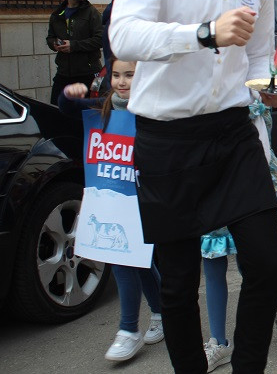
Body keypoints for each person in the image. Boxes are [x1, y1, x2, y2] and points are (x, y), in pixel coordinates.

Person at [109, 0, 277, 372]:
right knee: (179, 279)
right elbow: (124, 32)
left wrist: (274, 93)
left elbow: (257, 61)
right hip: (167, 139)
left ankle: (247, 366)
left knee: (265, 264)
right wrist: (203, 33)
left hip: (233, 133)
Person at [58, 59, 164, 363]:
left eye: (129, 75)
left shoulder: (153, 109)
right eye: (116, 74)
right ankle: (145, 321)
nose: (121, 81)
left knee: (134, 260)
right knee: (127, 259)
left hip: (143, 198)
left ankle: (140, 323)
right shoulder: (103, 106)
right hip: (112, 198)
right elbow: (66, 108)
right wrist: (69, 93)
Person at [202, 98, 277, 372]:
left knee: (253, 268)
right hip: (210, 182)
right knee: (212, 259)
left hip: (255, 180)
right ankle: (218, 342)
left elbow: (262, 146)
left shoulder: (252, 93)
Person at [46, 0, 103, 104]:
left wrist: (74, 45)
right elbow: (50, 37)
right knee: (56, 108)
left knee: (90, 112)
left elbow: (100, 39)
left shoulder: (91, 12)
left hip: (89, 73)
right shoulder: (57, 14)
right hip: (64, 73)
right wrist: (54, 44)